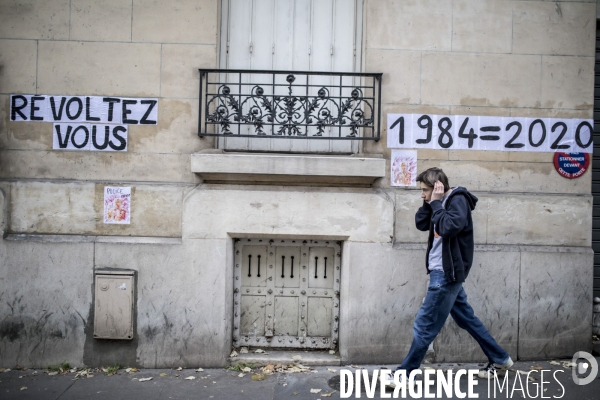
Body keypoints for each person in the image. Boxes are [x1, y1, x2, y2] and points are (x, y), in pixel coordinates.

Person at [382, 167, 513, 389]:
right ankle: (500, 359)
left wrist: (436, 203)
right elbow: (421, 223)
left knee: (425, 324)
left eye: (424, 190)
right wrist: (430, 202)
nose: (421, 194)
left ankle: (404, 374)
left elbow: (449, 227)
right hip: (441, 271)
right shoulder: (435, 201)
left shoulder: (458, 200)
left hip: (446, 273)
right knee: (466, 319)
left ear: (437, 188)